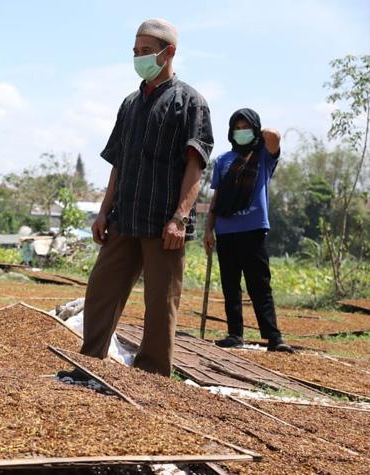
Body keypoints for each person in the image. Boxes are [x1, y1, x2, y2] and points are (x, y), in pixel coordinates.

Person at [58, 18, 213, 378]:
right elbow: (118, 163)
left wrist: (181, 217)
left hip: (164, 223)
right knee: (101, 292)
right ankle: (89, 364)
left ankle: (152, 376)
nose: (139, 58)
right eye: (135, 52)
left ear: (169, 53)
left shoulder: (190, 103)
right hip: (124, 217)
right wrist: (102, 212)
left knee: (160, 304)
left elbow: (196, 165)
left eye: (146, 52)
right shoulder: (130, 104)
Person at [204, 109, 294, 352]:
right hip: (225, 231)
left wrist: (258, 133)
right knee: (230, 284)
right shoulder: (223, 161)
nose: (241, 132)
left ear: (255, 130)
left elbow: (274, 136)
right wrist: (208, 230)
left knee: (259, 284)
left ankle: (274, 338)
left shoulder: (263, 157)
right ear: (231, 132)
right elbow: (217, 199)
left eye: (247, 127)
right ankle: (235, 334)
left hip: (253, 230)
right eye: (237, 128)